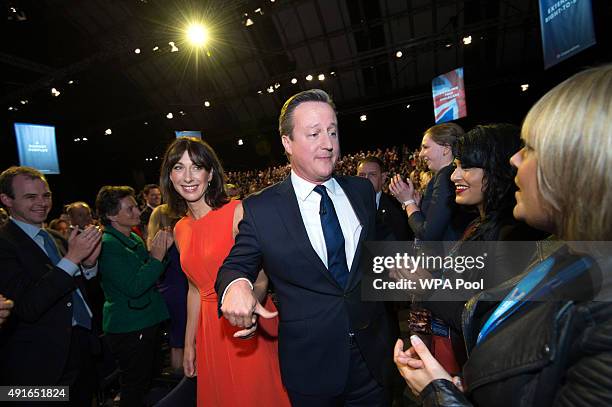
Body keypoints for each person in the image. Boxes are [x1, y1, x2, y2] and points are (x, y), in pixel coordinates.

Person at [394, 65, 612, 406]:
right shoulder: (568, 259)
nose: (515, 161)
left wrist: (441, 394)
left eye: (531, 149)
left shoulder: (518, 240)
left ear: (577, 165)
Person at [216, 89, 393, 406]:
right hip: (311, 369)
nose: (328, 143)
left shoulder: (362, 191)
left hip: (372, 359)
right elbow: (235, 266)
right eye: (314, 134)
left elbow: (376, 256)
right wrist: (236, 288)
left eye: (333, 131)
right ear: (287, 142)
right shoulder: (261, 209)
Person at [159, 137, 290, 407]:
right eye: (178, 168)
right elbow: (194, 289)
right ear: (169, 177)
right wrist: (189, 344)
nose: (188, 177)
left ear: (210, 173)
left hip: (244, 324)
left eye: (196, 167)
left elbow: (262, 275)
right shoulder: (180, 229)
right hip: (209, 330)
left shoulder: (237, 212)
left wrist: (249, 306)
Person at [0, 166, 102, 406]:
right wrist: (72, 259)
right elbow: (27, 306)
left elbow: (75, 291)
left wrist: (89, 265)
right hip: (40, 366)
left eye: (46, 196)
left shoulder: (55, 238)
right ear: (6, 200)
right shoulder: (4, 244)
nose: (42, 203)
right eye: (30, 197)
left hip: (80, 349)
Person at [96, 185, 173, 407]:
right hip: (129, 327)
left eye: (136, 207)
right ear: (111, 215)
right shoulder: (108, 245)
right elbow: (135, 286)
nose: (138, 213)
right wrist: (157, 258)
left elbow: (148, 271)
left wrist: (161, 254)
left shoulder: (131, 238)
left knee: (147, 381)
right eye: (130, 209)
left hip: (145, 321)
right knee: (134, 385)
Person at [390, 123, 472, 241]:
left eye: (426, 147)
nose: (421, 153)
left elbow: (429, 235)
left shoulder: (445, 176)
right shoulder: (446, 175)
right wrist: (419, 208)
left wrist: (408, 202)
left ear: (446, 149)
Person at [146, 203, 188, 372]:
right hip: (178, 293)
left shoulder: (155, 244)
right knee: (180, 340)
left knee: (178, 339)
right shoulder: (169, 244)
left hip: (169, 293)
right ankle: (181, 381)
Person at [357, 156, 412, 241]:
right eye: (362, 175)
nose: (366, 179)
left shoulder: (398, 208)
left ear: (383, 178)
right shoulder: (346, 205)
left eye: (372, 174)